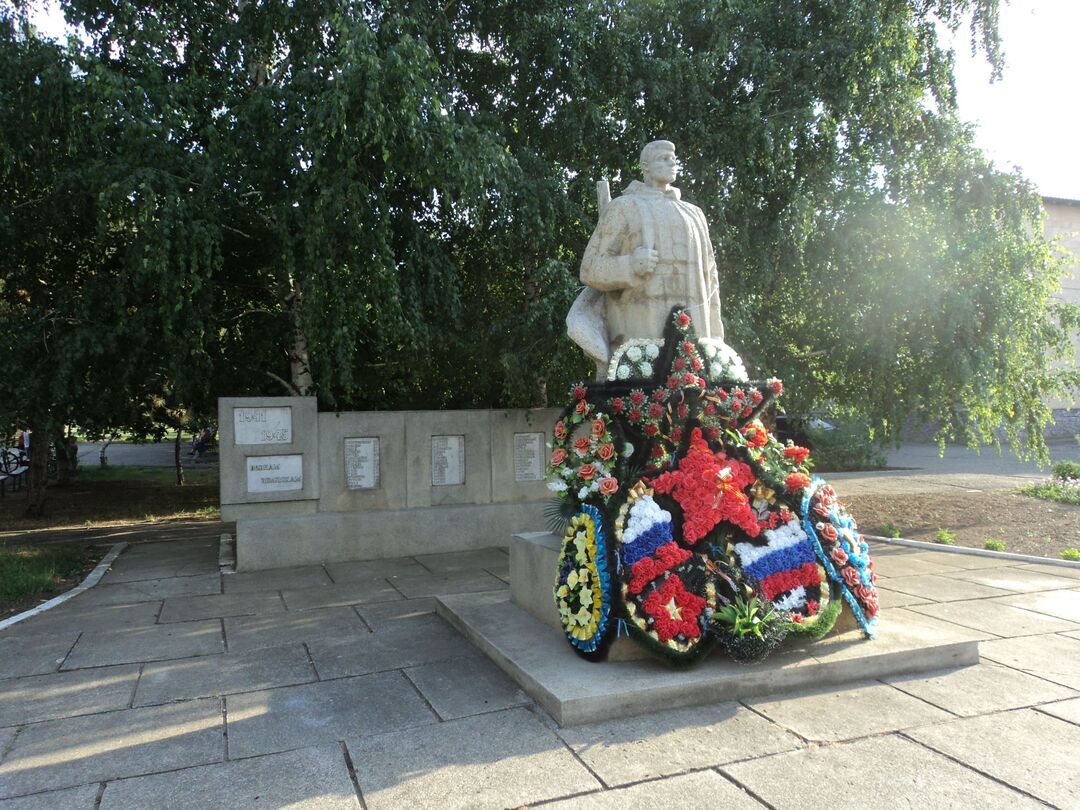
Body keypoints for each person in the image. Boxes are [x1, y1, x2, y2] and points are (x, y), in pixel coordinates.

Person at [568, 140, 725, 377]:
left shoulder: (694, 215)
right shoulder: (624, 207)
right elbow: (590, 269)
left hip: (695, 347)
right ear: (646, 166)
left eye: (674, 158)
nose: (672, 162)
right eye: (664, 158)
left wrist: (716, 343)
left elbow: (711, 282)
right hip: (638, 346)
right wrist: (629, 264)